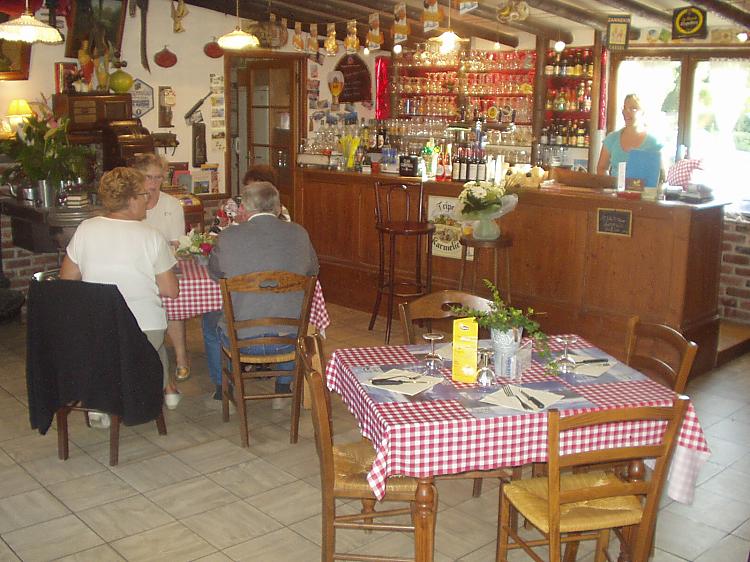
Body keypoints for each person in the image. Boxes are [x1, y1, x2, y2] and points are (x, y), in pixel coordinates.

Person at [60, 167, 182, 411]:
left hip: (97, 330)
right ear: (131, 199)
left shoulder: (86, 229)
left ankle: (98, 403)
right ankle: (163, 394)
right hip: (145, 331)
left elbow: (67, 279)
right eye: (143, 195)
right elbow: (171, 291)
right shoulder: (151, 236)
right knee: (153, 342)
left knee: (112, 347)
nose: (147, 200)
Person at [201, 181, 319, 408]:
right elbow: (313, 271)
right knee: (289, 314)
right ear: (277, 208)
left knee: (209, 320)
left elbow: (216, 274)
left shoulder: (228, 237)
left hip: (242, 341)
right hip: (290, 340)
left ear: (243, 209)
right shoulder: (299, 233)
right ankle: (283, 387)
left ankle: (223, 387)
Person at [132, 153, 191, 384]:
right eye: (148, 177)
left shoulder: (172, 204)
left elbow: (177, 242)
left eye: (158, 178)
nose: (153, 184)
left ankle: (182, 357)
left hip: (165, 263)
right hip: (138, 267)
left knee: (173, 302)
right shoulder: (132, 202)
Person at [596, 94, 663, 177]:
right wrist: (610, 184)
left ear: (643, 112)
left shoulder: (653, 142)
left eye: (633, 108)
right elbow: (601, 168)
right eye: (624, 108)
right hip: (615, 189)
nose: (627, 112)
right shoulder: (612, 138)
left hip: (642, 189)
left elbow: (661, 174)